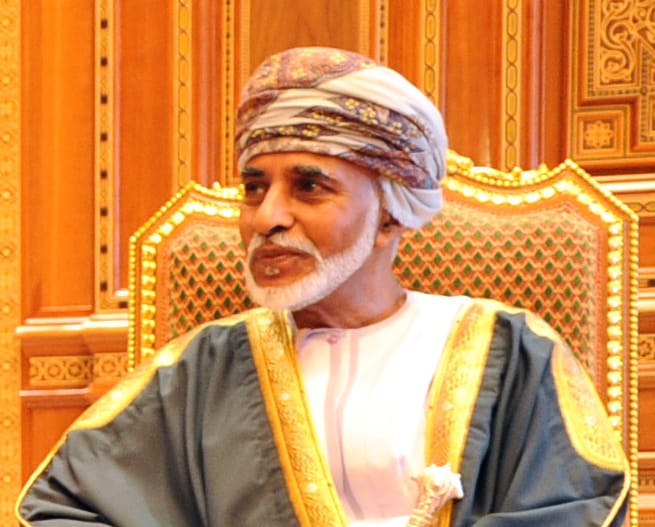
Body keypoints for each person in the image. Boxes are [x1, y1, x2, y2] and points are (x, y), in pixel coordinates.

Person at [16, 46, 629, 527]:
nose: (267, 218)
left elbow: (580, 505)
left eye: (309, 187)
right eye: (254, 188)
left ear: (389, 216)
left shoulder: (509, 351)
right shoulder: (202, 370)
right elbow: (63, 508)